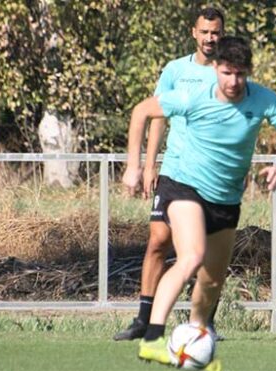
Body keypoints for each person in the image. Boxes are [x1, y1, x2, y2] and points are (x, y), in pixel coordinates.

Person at [122, 36, 276, 371]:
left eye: (240, 74)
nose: (233, 81)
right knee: (191, 256)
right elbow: (141, 111)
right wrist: (134, 167)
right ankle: (152, 338)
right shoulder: (194, 95)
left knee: (211, 281)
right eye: (226, 72)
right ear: (216, 70)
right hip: (183, 186)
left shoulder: (264, 100)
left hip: (225, 201)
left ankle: (195, 339)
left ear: (247, 72)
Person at [113, 7, 226, 342]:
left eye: (216, 32)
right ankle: (143, 320)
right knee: (158, 241)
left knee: (205, 251)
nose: (210, 38)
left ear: (222, 33)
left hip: (211, 175)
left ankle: (204, 322)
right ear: (194, 32)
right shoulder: (175, 70)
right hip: (175, 171)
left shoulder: (227, 72)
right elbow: (156, 115)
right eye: (204, 32)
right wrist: (148, 165)